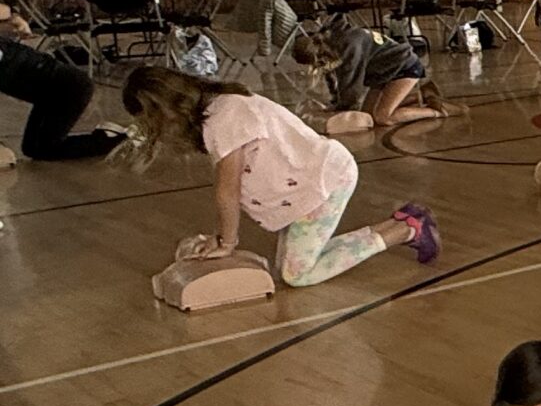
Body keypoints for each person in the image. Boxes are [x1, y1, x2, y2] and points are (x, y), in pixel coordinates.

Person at [121, 64, 436, 284]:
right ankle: (402, 221)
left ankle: (408, 230)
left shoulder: (224, 116)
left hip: (323, 180)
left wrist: (226, 242)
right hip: (305, 185)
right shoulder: (218, 109)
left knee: (298, 274)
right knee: (292, 263)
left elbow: (226, 190)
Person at [0, 0, 124, 160]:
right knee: (34, 149)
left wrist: (13, 16)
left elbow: (3, 10)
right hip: (49, 94)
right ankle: (108, 135)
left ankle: (118, 140)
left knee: (48, 149)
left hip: (69, 87)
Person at [291, 21, 442, 127]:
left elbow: (352, 84)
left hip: (404, 66)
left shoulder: (349, 47)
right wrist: (336, 102)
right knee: (368, 115)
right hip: (383, 72)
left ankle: (435, 112)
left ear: (319, 56)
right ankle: (418, 97)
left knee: (383, 118)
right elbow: (331, 74)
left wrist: (343, 108)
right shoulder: (329, 41)